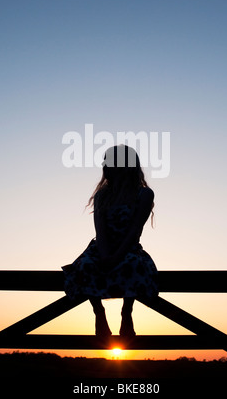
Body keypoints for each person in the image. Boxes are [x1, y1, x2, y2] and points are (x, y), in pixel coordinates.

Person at [61, 144, 159, 339]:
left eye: (108, 161)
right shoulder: (102, 195)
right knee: (86, 266)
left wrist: (116, 256)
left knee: (133, 266)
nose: (104, 165)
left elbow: (135, 229)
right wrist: (105, 255)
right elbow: (100, 229)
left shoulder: (144, 194)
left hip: (128, 247)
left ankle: (127, 312)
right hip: (101, 247)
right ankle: (99, 312)